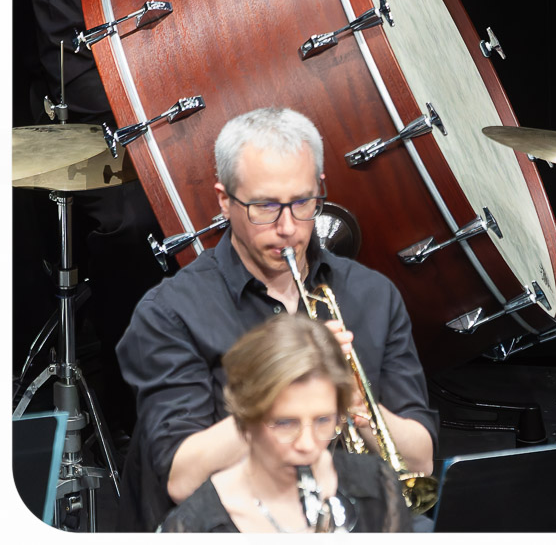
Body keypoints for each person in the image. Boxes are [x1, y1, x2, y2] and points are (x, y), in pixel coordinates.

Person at [24, 0, 273, 433]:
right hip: (134, 122)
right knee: (132, 217)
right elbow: (67, 66)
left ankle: (281, 386)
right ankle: (156, 412)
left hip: (239, 97)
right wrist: (179, 128)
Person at [117, 107, 437, 530]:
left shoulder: (373, 294)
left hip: (349, 514)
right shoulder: (171, 312)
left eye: (303, 202)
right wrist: (286, 389)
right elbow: (181, 478)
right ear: (225, 200)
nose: (288, 228)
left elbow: (421, 460)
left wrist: (355, 402)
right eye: (265, 206)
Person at [158, 314, 412, 532]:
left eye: (323, 420)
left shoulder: (377, 484)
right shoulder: (194, 527)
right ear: (247, 419)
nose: (307, 445)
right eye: (285, 423)